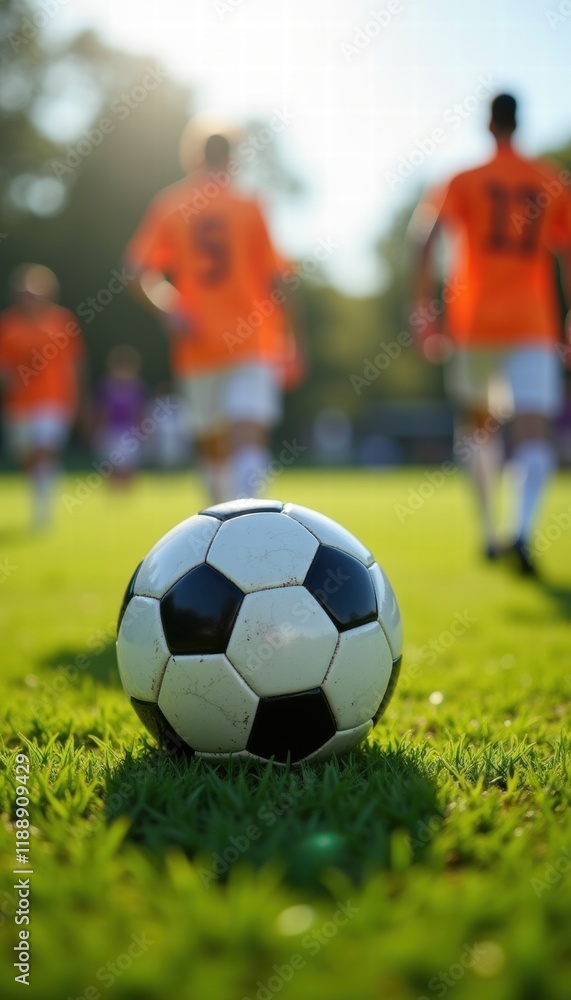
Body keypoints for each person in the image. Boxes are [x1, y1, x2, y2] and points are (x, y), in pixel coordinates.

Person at [412, 93, 571, 574]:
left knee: (477, 427)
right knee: (533, 428)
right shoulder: (548, 178)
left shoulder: (463, 179)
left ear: (487, 124)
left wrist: (421, 305)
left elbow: (425, 238)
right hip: (532, 321)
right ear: (519, 124)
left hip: (475, 320)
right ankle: (520, 531)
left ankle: (488, 532)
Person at [124, 128, 291, 504]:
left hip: (196, 344)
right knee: (247, 432)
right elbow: (278, 280)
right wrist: (293, 338)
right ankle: (252, 522)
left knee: (212, 446)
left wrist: (168, 307)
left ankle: (220, 530)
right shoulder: (250, 205)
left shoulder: (171, 204)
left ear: (194, 156)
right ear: (233, 158)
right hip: (252, 337)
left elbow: (134, 270)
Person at [0, 264, 86, 529]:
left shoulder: (61, 321)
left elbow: (74, 364)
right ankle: (40, 495)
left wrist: (77, 399)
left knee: (43, 451)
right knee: (27, 457)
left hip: (53, 400)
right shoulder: (9, 325)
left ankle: (42, 512)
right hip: (19, 404)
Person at [92, 345, 148, 487]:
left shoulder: (137, 387)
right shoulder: (106, 387)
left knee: (128, 464)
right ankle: (113, 490)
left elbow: (140, 411)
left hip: (130, 431)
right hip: (111, 430)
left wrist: (143, 432)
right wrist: (97, 431)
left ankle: (127, 491)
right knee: (111, 465)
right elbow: (101, 411)